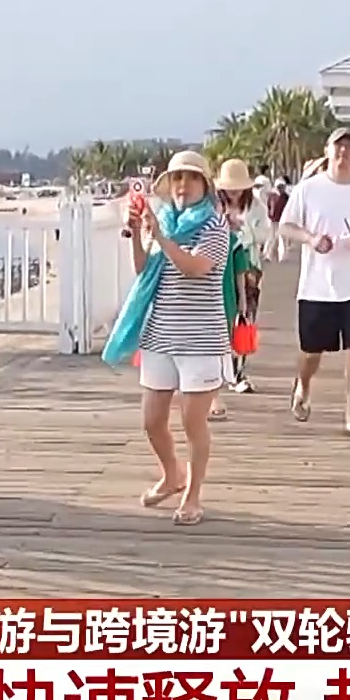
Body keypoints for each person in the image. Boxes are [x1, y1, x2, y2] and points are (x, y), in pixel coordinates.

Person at [102, 150, 231, 526]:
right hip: (161, 334)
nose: (182, 185)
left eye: (190, 178)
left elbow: (195, 268)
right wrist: (137, 235)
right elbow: (143, 269)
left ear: (204, 186)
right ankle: (172, 474)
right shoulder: (167, 222)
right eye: (177, 178)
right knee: (152, 420)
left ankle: (193, 495)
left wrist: (159, 234)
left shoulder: (214, 227)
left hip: (200, 339)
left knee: (193, 421)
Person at [278, 128, 350, 439]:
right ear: (327, 151)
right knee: (311, 352)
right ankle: (303, 385)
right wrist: (312, 239)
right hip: (316, 286)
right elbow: (286, 226)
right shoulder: (308, 189)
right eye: (338, 147)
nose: (343, 153)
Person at [216, 158, 268, 397]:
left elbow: (263, 234)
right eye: (230, 187)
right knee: (220, 316)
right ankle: (221, 369)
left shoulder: (256, 207)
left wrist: (241, 230)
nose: (234, 192)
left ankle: (238, 371)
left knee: (245, 316)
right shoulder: (215, 205)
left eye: (238, 187)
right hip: (221, 266)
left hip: (249, 267)